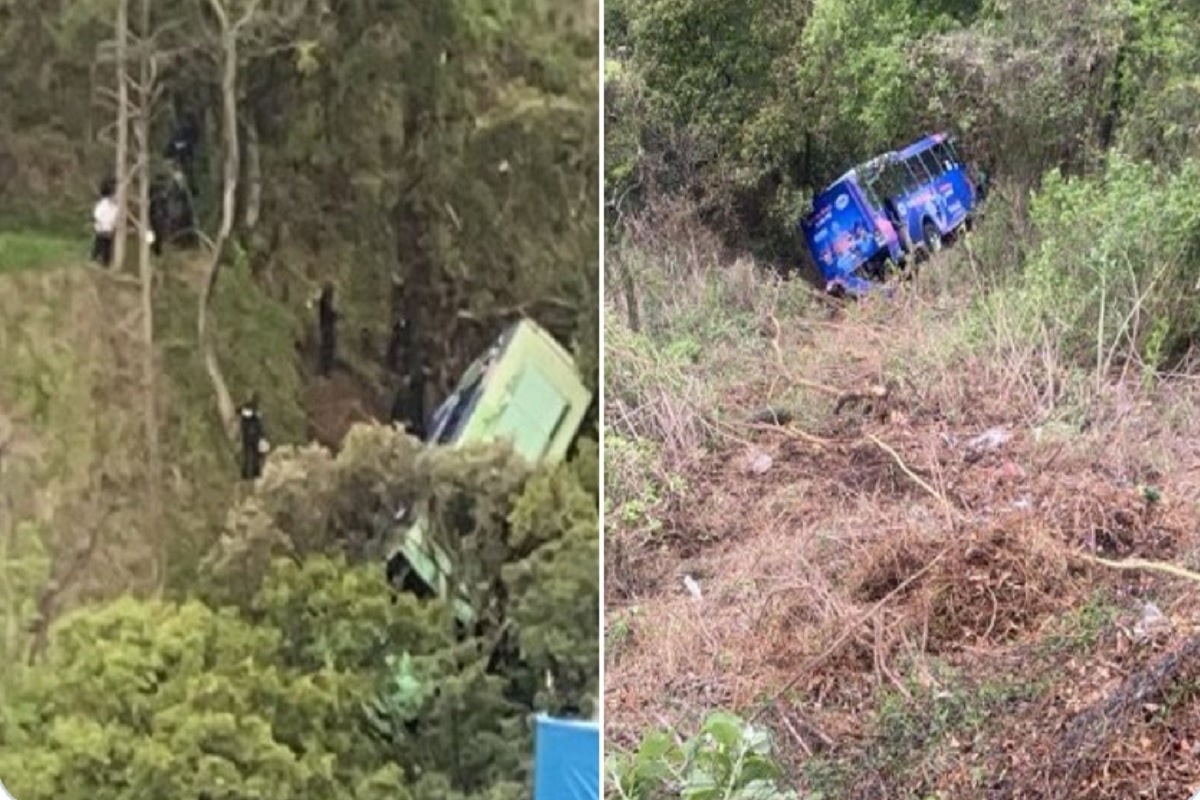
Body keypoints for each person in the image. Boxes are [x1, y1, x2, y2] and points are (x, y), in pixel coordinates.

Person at [238, 394, 267, 480]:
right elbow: (259, 424)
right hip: (252, 436)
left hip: (249, 435)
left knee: (250, 455)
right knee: (252, 456)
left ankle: (249, 473)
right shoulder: (254, 411)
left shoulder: (250, 410)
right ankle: (252, 473)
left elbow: (259, 424)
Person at [91, 177, 118, 266]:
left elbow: (115, 218)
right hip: (102, 229)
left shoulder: (115, 206)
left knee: (107, 248)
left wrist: (112, 226)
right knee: (99, 245)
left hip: (109, 230)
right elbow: (97, 216)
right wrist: (103, 226)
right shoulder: (103, 204)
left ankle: (104, 263)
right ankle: (95, 260)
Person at [316, 282, 338, 376]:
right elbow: (331, 314)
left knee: (326, 347)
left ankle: (324, 368)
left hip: (325, 326)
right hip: (327, 327)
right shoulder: (326, 302)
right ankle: (325, 369)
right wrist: (337, 315)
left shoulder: (324, 301)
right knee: (328, 347)